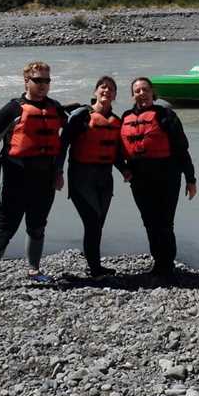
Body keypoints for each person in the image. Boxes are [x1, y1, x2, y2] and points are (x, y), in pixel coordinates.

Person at [0, 61, 66, 293]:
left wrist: (59, 172)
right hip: (16, 179)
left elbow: (64, 141)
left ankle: (34, 270)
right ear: (26, 81)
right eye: (38, 80)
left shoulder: (56, 108)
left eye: (47, 81)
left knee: (37, 227)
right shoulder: (12, 109)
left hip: (45, 180)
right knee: (3, 230)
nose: (43, 85)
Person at [121, 77, 196, 280]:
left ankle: (167, 264)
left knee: (165, 222)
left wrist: (191, 178)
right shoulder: (125, 117)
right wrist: (123, 169)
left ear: (152, 93)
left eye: (145, 90)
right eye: (137, 91)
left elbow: (182, 148)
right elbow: (119, 150)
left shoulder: (166, 115)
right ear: (132, 95)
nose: (141, 94)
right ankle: (158, 262)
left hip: (168, 178)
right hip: (140, 180)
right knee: (149, 222)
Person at [56, 76, 128, 278]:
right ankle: (95, 269)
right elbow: (63, 144)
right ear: (95, 91)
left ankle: (95, 264)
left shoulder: (116, 121)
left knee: (98, 224)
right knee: (92, 222)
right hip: (81, 176)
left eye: (111, 89)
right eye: (103, 87)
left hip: (105, 178)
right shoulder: (81, 115)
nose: (106, 91)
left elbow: (115, 154)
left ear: (115, 95)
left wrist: (124, 170)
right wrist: (58, 172)